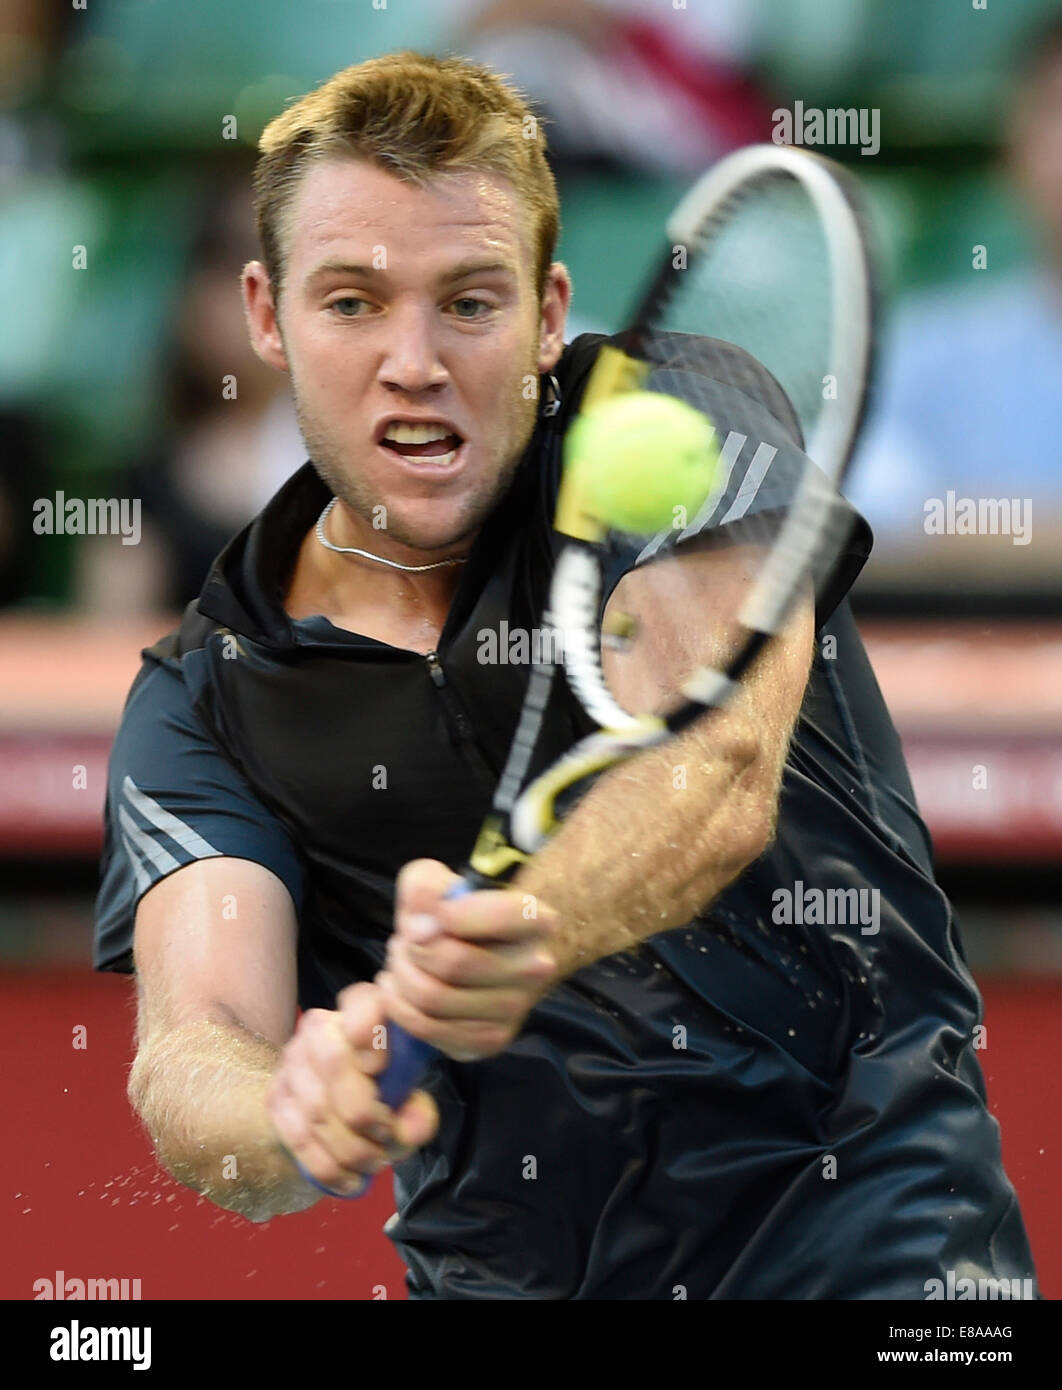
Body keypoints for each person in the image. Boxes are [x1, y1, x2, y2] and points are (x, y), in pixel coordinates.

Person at [94, 52, 1039, 1300]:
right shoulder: (202, 694)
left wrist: (526, 937)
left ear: (549, 311)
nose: (415, 359)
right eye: (353, 303)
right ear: (266, 317)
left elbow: (710, 774)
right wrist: (287, 1111)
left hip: (868, 1239)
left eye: (471, 303)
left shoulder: (676, 412)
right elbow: (195, 1046)